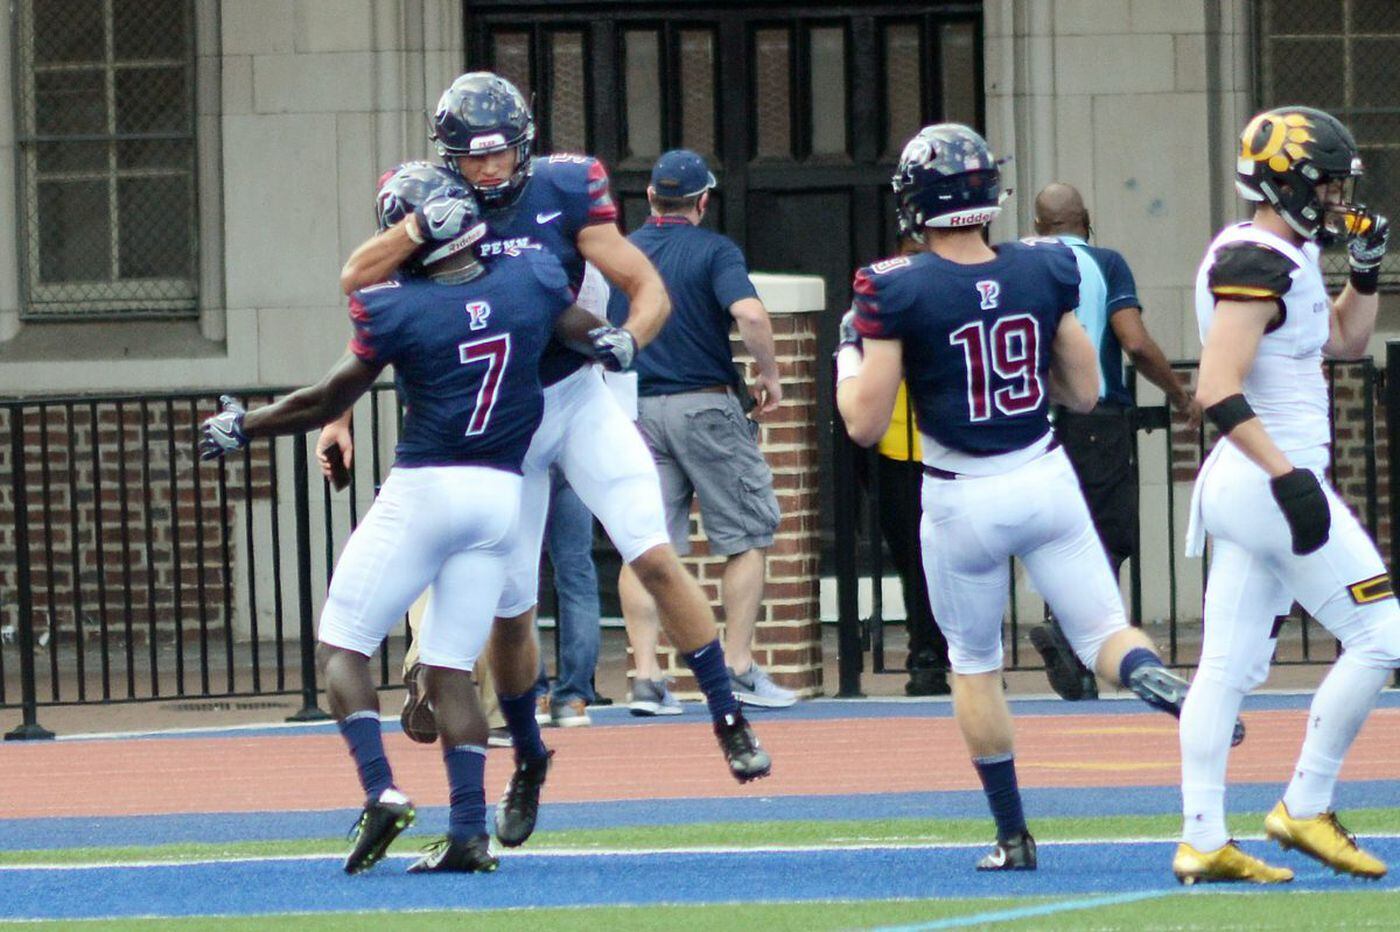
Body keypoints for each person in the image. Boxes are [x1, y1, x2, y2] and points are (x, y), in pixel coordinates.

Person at [327, 74, 772, 843]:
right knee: (511, 611)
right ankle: (530, 757)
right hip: (506, 426)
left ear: (525, 145)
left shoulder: (564, 188)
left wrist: (633, 337)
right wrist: (337, 414)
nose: (489, 168)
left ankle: (728, 716)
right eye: (474, 156)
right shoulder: (434, 201)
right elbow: (372, 302)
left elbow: (643, 283)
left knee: (652, 550)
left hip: (576, 395)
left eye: (501, 153)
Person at [835, 123, 1237, 872]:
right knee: (1106, 635)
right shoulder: (1044, 265)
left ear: (914, 203)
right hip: (1044, 475)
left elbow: (862, 422)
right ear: (990, 195)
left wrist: (846, 354)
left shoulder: (893, 285)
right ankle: (1149, 676)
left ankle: (1013, 834)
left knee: (974, 663)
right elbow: (1085, 391)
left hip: (960, 496)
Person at [200, 164, 605, 874]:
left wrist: (243, 426)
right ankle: (469, 834)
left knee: (343, 645)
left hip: (426, 486)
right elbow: (585, 331)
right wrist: (620, 341)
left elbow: (326, 399)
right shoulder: (530, 278)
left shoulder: (397, 305)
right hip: (499, 497)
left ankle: (381, 790)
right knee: (450, 668)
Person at [1174, 105, 1396, 885]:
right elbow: (1215, 385)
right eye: (1328, 185)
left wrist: (1364, 272)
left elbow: (1346, 340)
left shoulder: (1284, 256)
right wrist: (1288, 476)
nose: (1338, 200)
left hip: (1263, 481)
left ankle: (1203, 838)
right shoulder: (1256, 259)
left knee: (1225, 667)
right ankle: (1306, 804)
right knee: (1383, 633)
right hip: (1269, 479)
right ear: (1290, 184)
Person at [606, 150, 792, 713]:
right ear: (703, 200)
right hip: (706, 405)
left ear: (651, 199)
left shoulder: (621, 252)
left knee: (644, 544)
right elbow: (751, 315)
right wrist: (769, 375)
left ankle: (645, 676)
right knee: (747, 535)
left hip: (636, 408)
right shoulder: (715, 250)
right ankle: (737, 667)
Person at [1026, 182, 1203, 702]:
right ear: (1087, 220)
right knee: (1107, 535)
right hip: (1094, 417)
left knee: (1054, 532)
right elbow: (1134, 340)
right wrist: (1178, 394)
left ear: (1037, 225)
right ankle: (1079, 640)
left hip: (1029, 421)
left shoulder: (1014, 263)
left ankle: (1070, 642)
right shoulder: (1105, 264)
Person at [534, 466, 602, 727]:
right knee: (577, 577)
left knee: (520, 579)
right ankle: (573, 700)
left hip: (525, 460)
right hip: (572, 460)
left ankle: (532, 695)